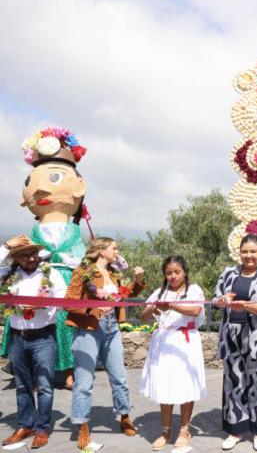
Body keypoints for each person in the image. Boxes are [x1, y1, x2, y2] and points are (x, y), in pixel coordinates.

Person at [1, 126, 90, 390]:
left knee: (66, 324)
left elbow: (81, 258)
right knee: (32, 319)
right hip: (38, 280)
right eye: (31, 183)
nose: (38, 190)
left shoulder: (74, 231)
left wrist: (57, 256)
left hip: (66, 282)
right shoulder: (34, 231)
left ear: (79, 187)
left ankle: (69, 371)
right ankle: (34, 370)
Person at [63, 237, 146, 449]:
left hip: (112, 327)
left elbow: (125, 295)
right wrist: (92, 308)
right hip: (88, 329)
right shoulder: (83, 272)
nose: (118, 252)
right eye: (114, 249)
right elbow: (68, 301)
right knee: (83, 382)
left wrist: (138, 281)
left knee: (120, 376)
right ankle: (82, 426)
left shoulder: (114, 273)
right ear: (102, 251)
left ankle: (124, 416)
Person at [0, 236, 67, 448]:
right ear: (16, 257)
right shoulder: (8, 274)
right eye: (25, 254)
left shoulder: (51, 273)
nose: (31, 257)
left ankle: (41, 429)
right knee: (22, 385)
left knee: (45, 385)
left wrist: (44, 305)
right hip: (18, 337)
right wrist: (5, 247)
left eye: (34, 253)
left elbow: (63, 301)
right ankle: (25, 425)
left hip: (44, 336)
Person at [214, 234, 257, 451]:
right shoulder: (228, 273)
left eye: (253, 252)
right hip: (231, 336)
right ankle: (235, 430)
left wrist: (246, 306)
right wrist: (222, 302)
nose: (248, 256)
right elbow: (215, 302)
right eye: (244, 251)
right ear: (239, 252)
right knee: (234, 382)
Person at [139, 255, 206, 450]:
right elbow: (143, 316)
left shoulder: (194, 290)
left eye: (177, 272)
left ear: (185, 271)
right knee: (164, 385)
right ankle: (166, 430)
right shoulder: (160, 292)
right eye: (169, 273)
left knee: (185, 385)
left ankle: (185, 429)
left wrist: (171, 306)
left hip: (185, 343)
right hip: (163, 343)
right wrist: (153, 307)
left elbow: (195, 310)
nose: (173, 276)